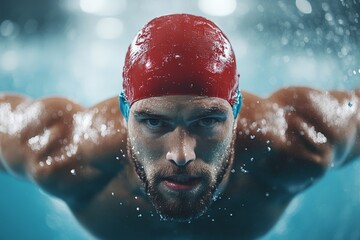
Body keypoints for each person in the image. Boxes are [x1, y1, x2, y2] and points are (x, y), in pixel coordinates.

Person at [0, 13, 359, 240]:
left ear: (236, 111)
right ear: (126, 113)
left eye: (207, 121)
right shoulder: (60, 151)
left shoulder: (299, 141)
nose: (182, 154)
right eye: (154, 122)